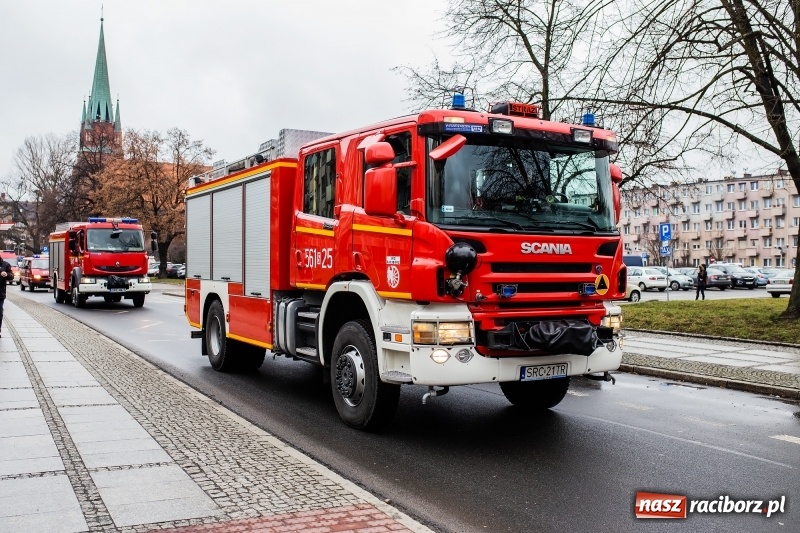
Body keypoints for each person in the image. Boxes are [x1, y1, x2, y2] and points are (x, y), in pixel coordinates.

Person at [0, 256, 13, 336]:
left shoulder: (5, 264)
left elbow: (12, 276)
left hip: (0, 294)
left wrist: (7, 274)